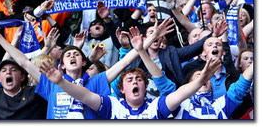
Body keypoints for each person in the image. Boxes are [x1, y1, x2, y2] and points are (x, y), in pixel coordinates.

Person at [38, 27, 222, 119]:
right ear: (122, 89)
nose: (134, 82)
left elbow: (179, 94)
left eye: (138, 80)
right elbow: (85, 96)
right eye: (130, 80)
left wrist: (200, 81)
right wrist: (61, 83)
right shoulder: (112, 104)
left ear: (145, 85)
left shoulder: (156, 105)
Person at [174, 62, 253, 119]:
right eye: (199, 76)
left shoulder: (220, 104)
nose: (203, 79)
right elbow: (164, 85)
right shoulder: (180, 103)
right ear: (190, 84)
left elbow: (241, 85)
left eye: (206, 78)